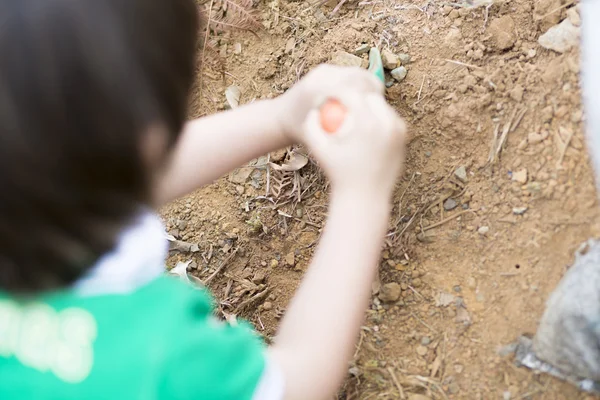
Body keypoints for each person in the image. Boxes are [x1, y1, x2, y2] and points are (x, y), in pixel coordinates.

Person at [0, 1, 407, 399]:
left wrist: (280, 117)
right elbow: (297, 382)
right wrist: (362, 194)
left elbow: (105, 180)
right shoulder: (161, 359)